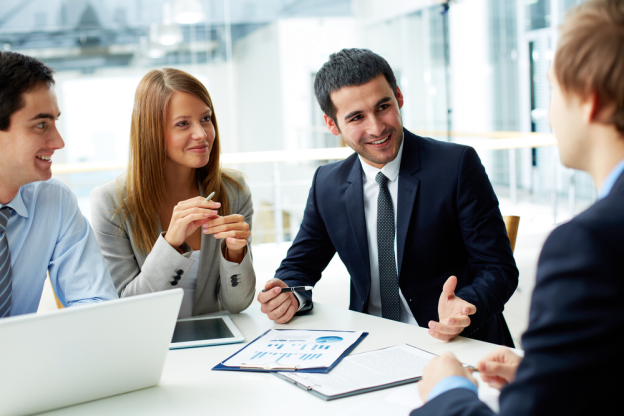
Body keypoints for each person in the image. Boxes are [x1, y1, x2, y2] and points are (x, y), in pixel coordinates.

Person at [414, 0, 624, 414]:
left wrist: (448, 390)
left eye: (552, 88)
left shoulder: (588, 244)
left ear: (589, 99)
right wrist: (546, 373)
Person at [258, 48, 518, 346]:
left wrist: (466, 307)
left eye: (383, 107)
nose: (377, 128)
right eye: (356, 117)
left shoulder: (456, 166)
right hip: (370, 342)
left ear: (399, 97)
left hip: (456, 341)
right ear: (332, 125)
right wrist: (288, 294)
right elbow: (299, 267)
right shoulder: (326, 184)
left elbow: (498, 269)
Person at [90, 68, 255, 318]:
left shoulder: (234, 191)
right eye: (182, 124)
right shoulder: (111, 202)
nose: (201, 134)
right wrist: (170, 244)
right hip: (147, 348)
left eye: (206, 119)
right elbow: (126, 308)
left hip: (215, 345)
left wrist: (235, 252)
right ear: (151, 132)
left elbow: (237, 303)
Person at [0, 51, 118, 317]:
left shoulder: (53, 201)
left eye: (55, 121)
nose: (58, 142)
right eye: (41, 125)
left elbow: (96, 302)